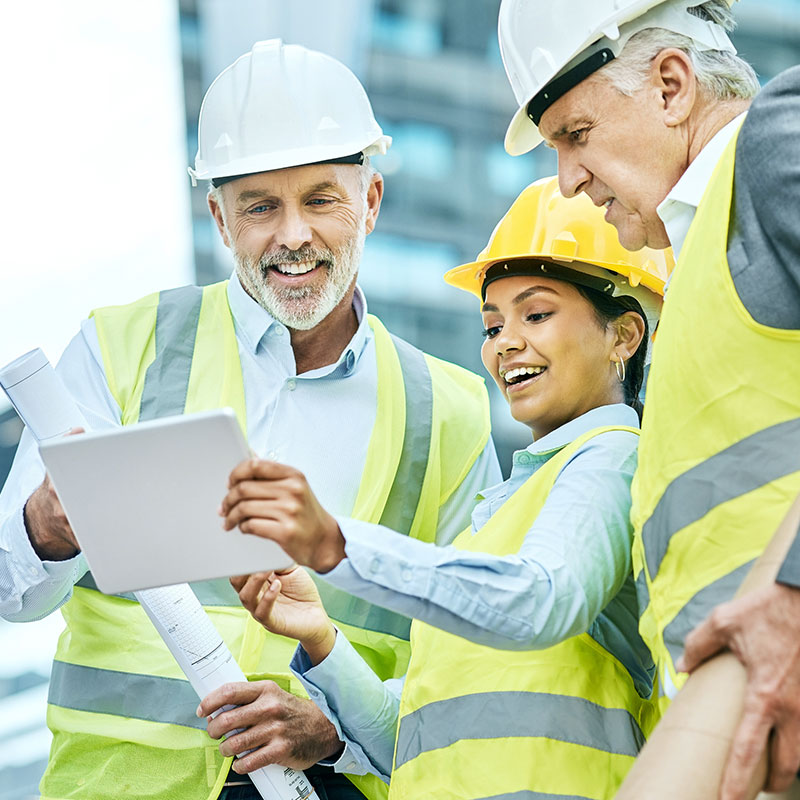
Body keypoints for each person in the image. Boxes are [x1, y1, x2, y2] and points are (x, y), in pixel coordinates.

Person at [0, 40, 499, 800]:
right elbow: (11, 591)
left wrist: (338, 735)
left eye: (320, 199)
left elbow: (467, 680)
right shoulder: (120, 346)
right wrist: (45, 525)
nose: (292, 235)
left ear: (370, 201)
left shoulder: (452, 413)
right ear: (219, 219)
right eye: (260, 206)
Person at [199, 177, 673, 799]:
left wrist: (337, 547)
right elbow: (414, 737)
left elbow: (540, 602)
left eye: (536, 313)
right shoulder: (499, 518)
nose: (506, 343)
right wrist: (321, 639)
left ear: (624, 336)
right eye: (492, 324)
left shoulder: (613, 459)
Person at [495, 0, 800, 796]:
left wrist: (794, 591)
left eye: (577, 135)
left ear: (671, 85)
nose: (566, 182)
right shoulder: (697, 274)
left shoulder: (773, 143)